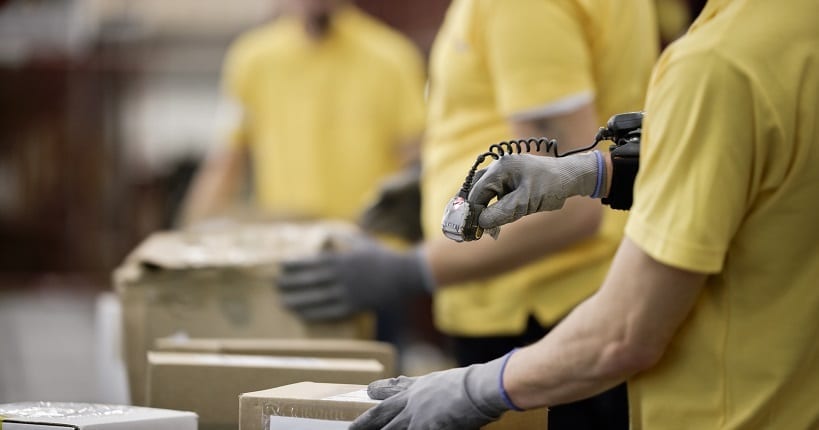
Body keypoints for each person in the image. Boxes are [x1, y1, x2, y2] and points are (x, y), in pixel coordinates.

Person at [349, 0, 819, 428]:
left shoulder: (719, 62)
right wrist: (599, 171)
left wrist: (473, 386)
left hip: (703, 395)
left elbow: (625, 333)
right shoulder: (790, 27)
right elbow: (747, 148)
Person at [277, 0, 658, 428]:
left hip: (537, 314)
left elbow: (569, 203)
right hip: (557, 305)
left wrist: (409, 270)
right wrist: (430, 184)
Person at [180, 0, 426, 226]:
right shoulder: (254, 59)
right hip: (288, 243)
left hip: (367, 245)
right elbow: (226, 159)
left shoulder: (391, 59)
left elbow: (415, 162)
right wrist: (187, 233)